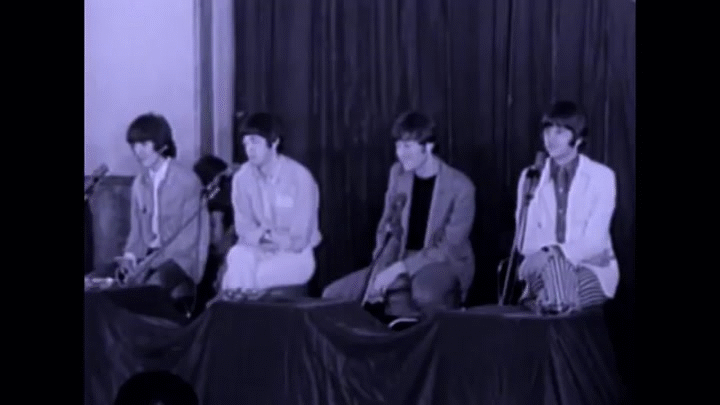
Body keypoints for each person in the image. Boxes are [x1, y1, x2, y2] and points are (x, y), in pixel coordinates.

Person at [322, 111, 476, 323]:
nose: (400, 154)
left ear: (428, 146)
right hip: (400, 258)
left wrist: (399, 269)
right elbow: (388, 228)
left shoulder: (461, 187)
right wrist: (380, 270)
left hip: (442, 261)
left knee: (424, 293)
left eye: (407, 147)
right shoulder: (398, 174)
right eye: (397, 146)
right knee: (333, 294)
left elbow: (448, 248)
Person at [514, 101, 619, 314]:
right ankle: (558, 306)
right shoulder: (531, 176)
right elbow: (525, 242)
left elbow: (595, 242)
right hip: (542, 270)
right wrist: (555, 256)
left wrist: (551, 251)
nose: (550, 139)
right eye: (547, 131)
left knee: (557, 278)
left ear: (578, 138)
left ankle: (545, 302)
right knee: (557, 270)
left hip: (592, 270)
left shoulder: (602, 177)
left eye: (559, 132)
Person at [117, 113, 210, 314]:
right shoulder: (139, 184)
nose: (138, 151)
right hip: (149, 257)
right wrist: (130, 257)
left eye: (144, 144)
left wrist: (149, 265)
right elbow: (137, 231)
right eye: (134, 145)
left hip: (181, 260)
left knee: (151, 287)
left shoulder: (187, 181)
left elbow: (188, 240)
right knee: (111, 284)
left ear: (161, 144)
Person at [218, 112, 321, 295]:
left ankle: (236, 310)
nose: (249, 149)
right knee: (237, 255)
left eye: (255, 142)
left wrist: (263, 236)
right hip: (258, 251)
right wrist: (269, 237)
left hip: (295, 257)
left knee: (242, 278)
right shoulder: (242, 178)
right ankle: (241, 308)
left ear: (274, 142)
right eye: (245, 143)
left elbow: (299, 240)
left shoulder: (300, 178)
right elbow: (243, 230)